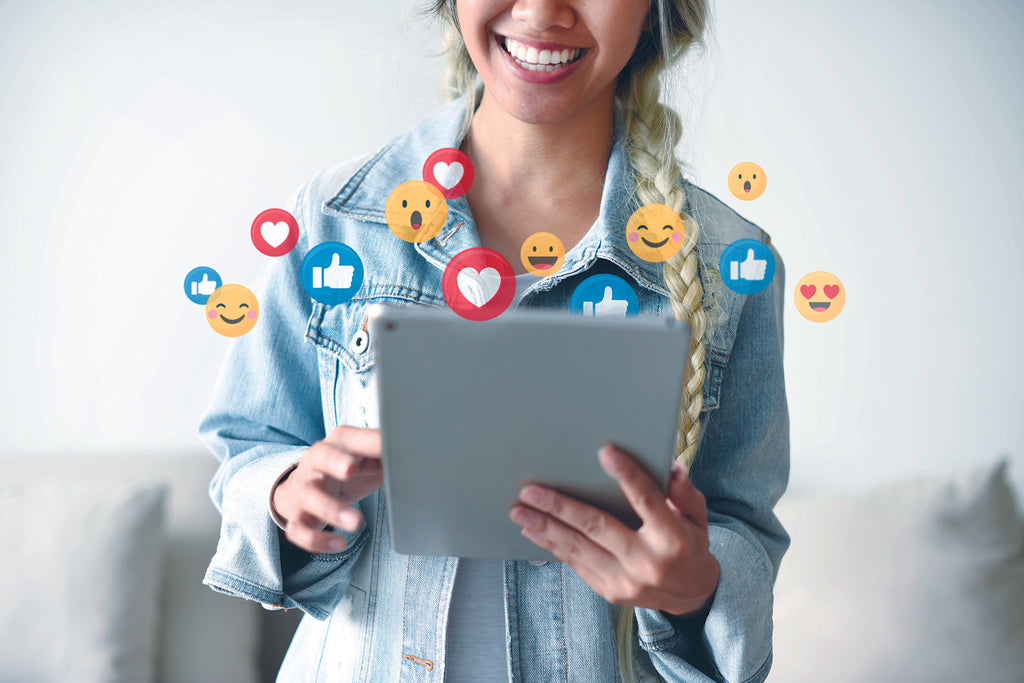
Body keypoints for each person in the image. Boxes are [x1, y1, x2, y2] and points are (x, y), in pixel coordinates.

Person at [200, 0, 789, 680]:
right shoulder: (333, 221)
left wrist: (693, 587)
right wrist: (286, 496)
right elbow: (247, 447)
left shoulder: (731, 263)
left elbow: (743, 530)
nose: (541, 10)